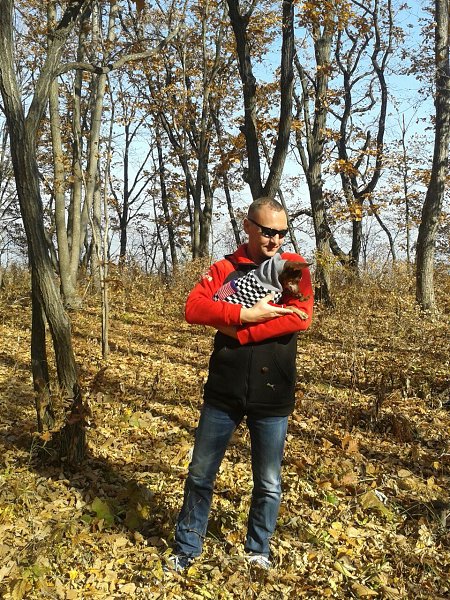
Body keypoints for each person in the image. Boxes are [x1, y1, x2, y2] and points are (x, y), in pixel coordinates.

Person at [165, 197, 314, 573]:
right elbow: (193, 308)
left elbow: (299, 318)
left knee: (269, 481)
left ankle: (257, 551)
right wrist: (245, 313)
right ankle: (187, 547)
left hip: (273, 391)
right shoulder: (225, 269)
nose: (275, 240)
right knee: (200, 474)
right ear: (247, 226)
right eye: (267, 231)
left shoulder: (292, 268)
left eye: (281, 232)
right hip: (224, 388)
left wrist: (238, 331)